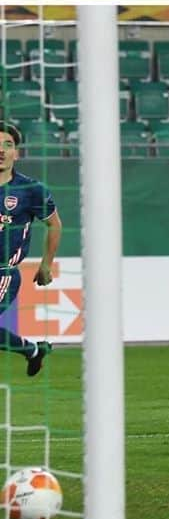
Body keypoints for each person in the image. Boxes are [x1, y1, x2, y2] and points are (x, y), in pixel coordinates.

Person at [0, 122, 60, 377]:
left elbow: (54, 225)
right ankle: (33, 350)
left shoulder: (31, 190)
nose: (1, 150)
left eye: (8, 145)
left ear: (17, 153)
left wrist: (46, 264)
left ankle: (33, 351)